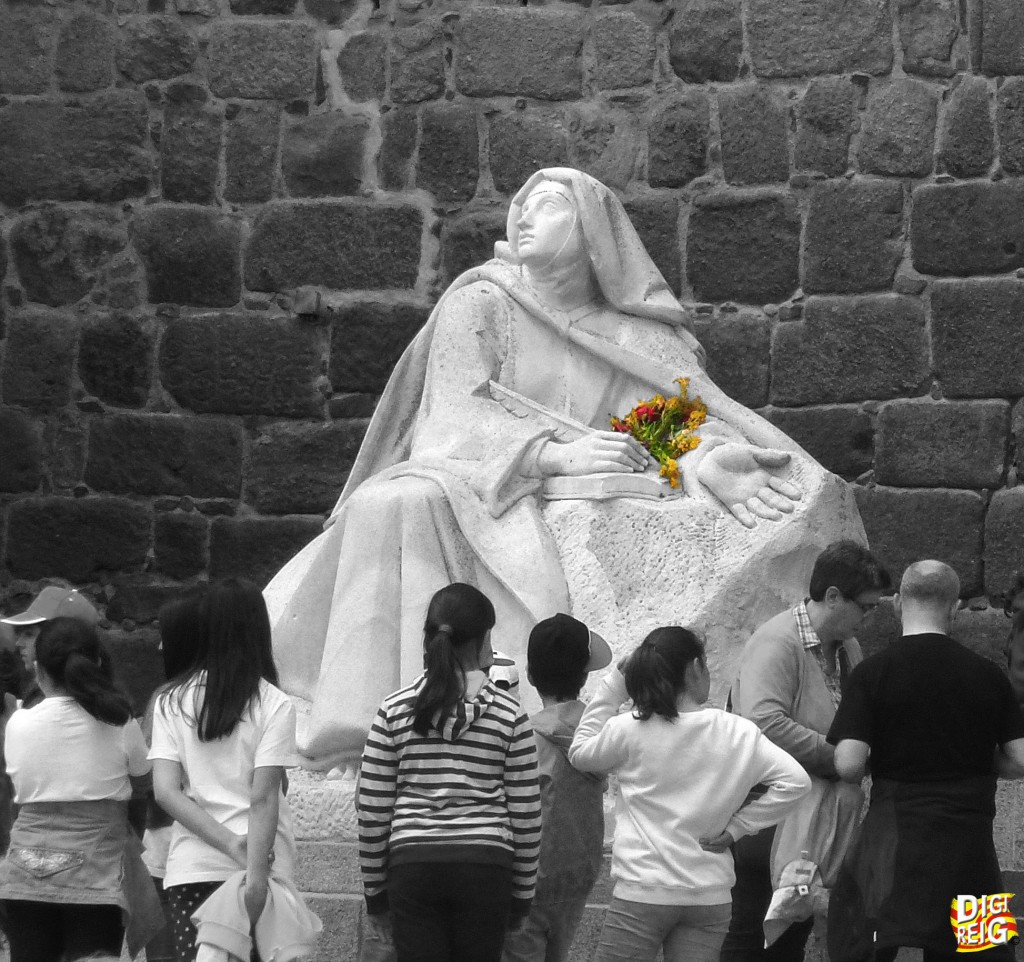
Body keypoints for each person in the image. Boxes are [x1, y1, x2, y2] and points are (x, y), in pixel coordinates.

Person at [265, 167, 864, 766]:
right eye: (520, 206)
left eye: (547, 205)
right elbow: (452, 413)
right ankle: (364, 726)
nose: (522, 216)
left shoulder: (631, 335)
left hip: (565, 499)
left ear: (594, 231)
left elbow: (663, 420)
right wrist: (553, 454)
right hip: (473, 480)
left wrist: (703, 459)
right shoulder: (481, 303)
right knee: (390, 502)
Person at [568, 626, 810, 962]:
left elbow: (580, 752)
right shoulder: (738, 731)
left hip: (642, 890)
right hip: (710, 896)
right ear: (696, 667)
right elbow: (796, 782)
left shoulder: (628, 729)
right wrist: (739, 827)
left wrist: (614, 686)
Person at [827, 560, 1024, 962]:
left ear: (898, 604)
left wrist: (885, 750)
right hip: (967, 845)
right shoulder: (987, 675)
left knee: (865, 938)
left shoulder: (871, 673)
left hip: (893, 841)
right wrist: (976, 760)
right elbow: (1020, 760)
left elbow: (848, 764)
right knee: (979, 949)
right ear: (953, 609)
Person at [721, 540, 890, 962]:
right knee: (751, 936)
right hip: (770, 819)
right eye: (865, 607)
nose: (868, 618)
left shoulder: (847, 647)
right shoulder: (778, 642)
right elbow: (764, 723)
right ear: (832, 596)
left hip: (817, 821)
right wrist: (838, 758)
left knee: (790, 937)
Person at [357, 583, 542, 962]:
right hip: (486, 866)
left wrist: (376, 895)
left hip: (413, 865)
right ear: (485, 640)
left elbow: (373, 809)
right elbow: (526, 815)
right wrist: (522, 897)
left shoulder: (393, 710)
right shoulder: (510, 715)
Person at [150, 578, 299, 962]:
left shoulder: (170, 701)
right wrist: (254, 873)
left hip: (192, 869)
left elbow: (166, 792)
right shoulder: (275, 704)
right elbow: (263, 796)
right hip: (262, 868)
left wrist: (227, 844)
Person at [0, 617, 158, 961]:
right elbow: (144, 785)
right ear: (98, 663)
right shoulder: (120, 722)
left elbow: (19, 790)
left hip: (23, 878)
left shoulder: (19, 724)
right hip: (96, 881)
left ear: (39, 670)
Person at [502, 613, 613, 962]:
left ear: (531, 676)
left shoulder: (523, 738)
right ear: (584, 675)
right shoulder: (600, 736)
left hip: (525, 886)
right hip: (577, 879)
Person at [141, 588, 208, 962]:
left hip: (167, 846)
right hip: (218, 843)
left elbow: (150, 777)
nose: (159, 648)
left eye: (165, 637)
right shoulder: (236, 695)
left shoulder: (165, 699)